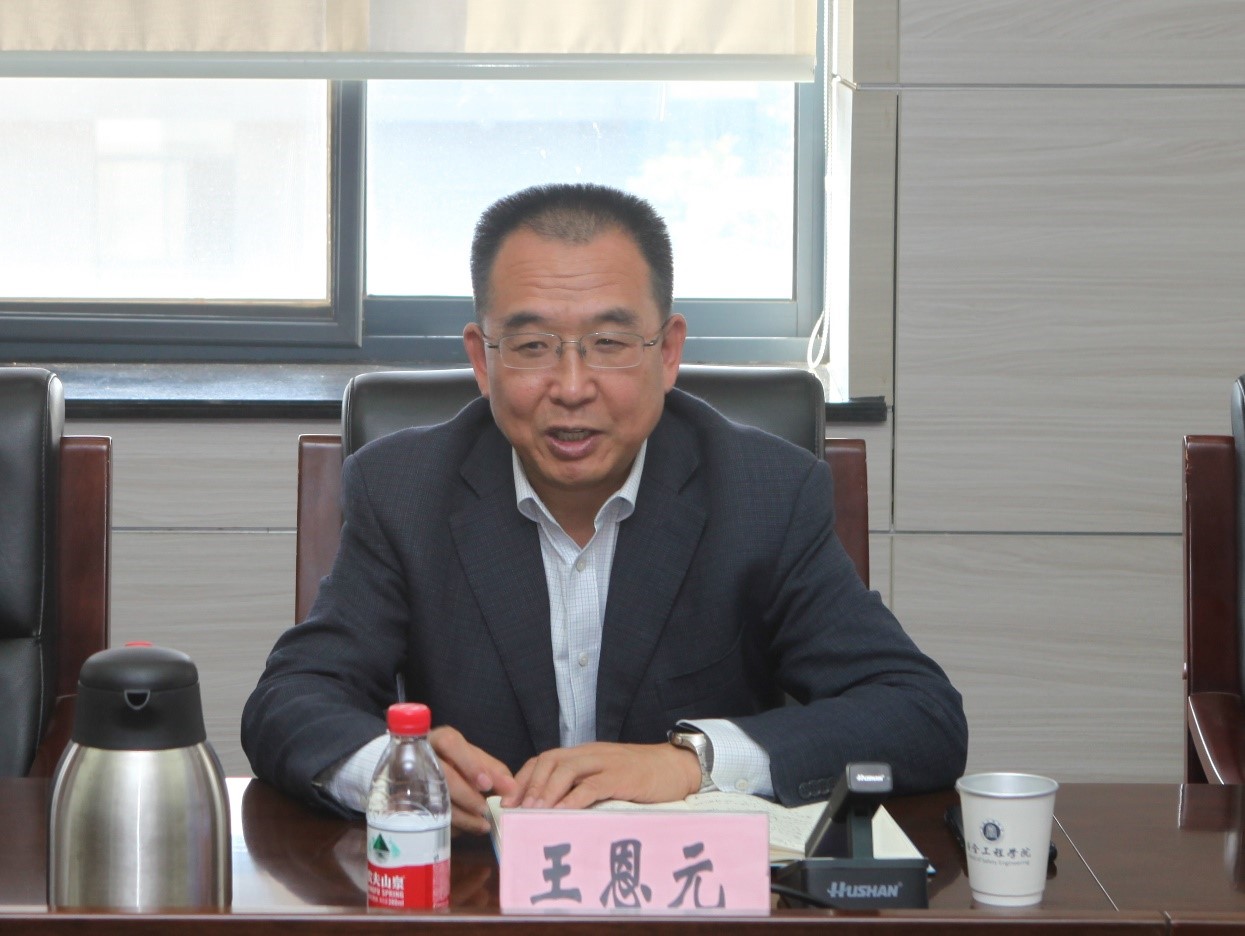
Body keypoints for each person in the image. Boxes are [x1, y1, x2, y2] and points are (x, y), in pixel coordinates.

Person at [242, 183, 968, 833]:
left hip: (688, 899)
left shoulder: (764, 493)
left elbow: (918, 713)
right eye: (532, 345)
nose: (571, 386)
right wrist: (396, 769)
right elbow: (291, 700)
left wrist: (690, 763)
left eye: (609, 343)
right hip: (479, 894)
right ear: (482, 359)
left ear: (668, 351)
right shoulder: (404, 490)